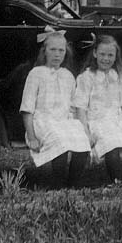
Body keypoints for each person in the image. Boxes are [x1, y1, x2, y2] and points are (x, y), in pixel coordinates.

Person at [19, 28, 91, 188]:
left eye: (61, 50)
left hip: (64, 121)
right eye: (52, 50)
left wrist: (82, 128)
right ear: (44, 51)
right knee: (60, 141)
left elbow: (72, 107)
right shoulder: (36, 74)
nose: (57, 54)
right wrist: (31, 137)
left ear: (66, 52)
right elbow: (27, 108)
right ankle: (58, 185)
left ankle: (72, 185)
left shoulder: (68, 75)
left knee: (82, 142)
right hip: (42, 122)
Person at [74, 35, 122, 186]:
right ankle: (117, 184)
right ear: (95, 53)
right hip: (97, 121)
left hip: (117, 120)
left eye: (110, 55)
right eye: (102, 54)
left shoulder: (118, 76)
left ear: (116, 56)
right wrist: (86, 131)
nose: (106, 58)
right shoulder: (86, 77)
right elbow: (80, 108)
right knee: (112, 146)